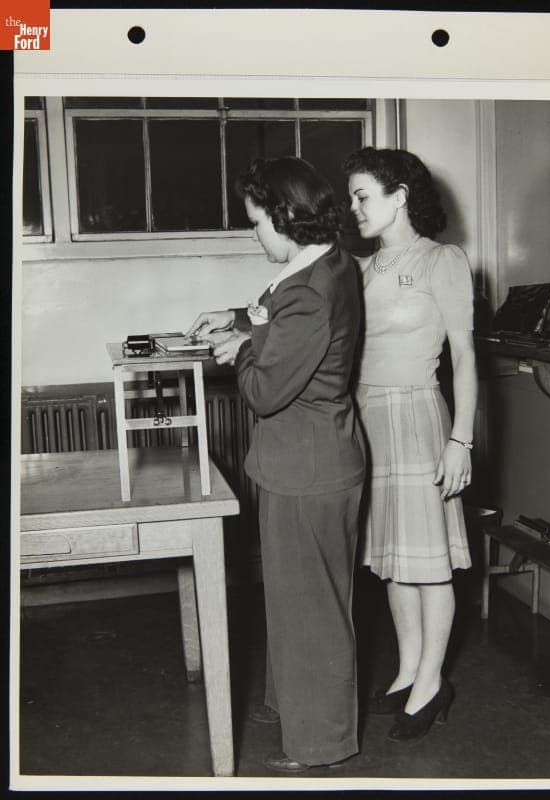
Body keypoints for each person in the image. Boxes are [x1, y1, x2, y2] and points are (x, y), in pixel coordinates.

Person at [187, 157, 366, 773]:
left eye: (257, 222)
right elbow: (279, 320)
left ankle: (321, 744)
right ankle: (297, 708)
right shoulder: (323, 263)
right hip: (308, 460)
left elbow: (264, 391)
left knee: (313, 608)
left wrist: (236, 351)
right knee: (298, 601)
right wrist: (235, 318)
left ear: (286, 218)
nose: (253, 233)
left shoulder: (311, 290)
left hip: (307, 468)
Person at [343, 147, 477, 742]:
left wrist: (461, 440)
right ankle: (406, 671)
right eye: (351, 197)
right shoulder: (360, 268)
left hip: (419, 417)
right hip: (369, 418)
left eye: (362, 195)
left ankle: (433, 682)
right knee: (395, 560)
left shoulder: (441, 260)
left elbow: (466, 358)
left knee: (429, 562)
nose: (354, 207)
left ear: (399, 196)